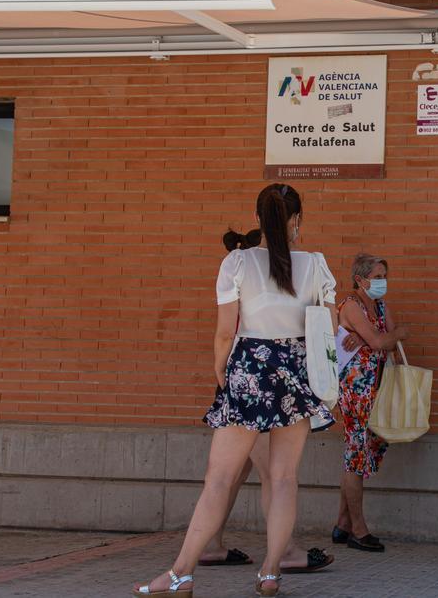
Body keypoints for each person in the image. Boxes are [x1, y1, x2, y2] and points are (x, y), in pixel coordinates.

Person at [131, 183, 337, 598]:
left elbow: (226, 332)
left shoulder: (237, 263)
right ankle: (270, 572)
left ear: (259, 219)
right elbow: (328, 332)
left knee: (219, 479)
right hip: (295, 370)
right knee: (283, 479)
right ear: (297, 220)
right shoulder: (317, 264)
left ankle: (180, 574)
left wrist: (219, 369)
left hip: (248, 368)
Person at [332, 253, 408, 553]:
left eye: (383, 276)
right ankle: (358, 530)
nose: (381, 282)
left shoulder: (379, 305)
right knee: (356, 454)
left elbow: (392, 335)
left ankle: (342, 524)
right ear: (360, 279)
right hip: (355, 389)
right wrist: (383, 337)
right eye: (376, 277)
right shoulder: (351, 305)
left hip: (375, 385)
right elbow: (382, 340)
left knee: (364, 451)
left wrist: (379, 337)